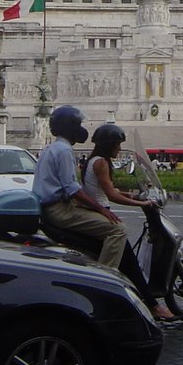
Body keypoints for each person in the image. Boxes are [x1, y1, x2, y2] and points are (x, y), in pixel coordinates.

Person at [83, 123, 175, 320]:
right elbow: (110, 195)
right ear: (109, 145)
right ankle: (150, 303)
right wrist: (138, 203)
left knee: (129, 261)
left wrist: (131, 194)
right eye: (117, 144)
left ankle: (145, 301)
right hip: (102, 213)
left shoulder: (95, 161)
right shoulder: (101, 163)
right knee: (128, 259)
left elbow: (106, 190)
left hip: (99, 210)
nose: (119, 148)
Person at [32, 105, 126, 269]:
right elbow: (72, 189)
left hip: (51, 207)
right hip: (59, 210)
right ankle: (106, 276)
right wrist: (101, 209)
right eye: (77, 125)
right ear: (70, 127)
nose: (81, 129)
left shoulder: (51, 148)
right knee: (117, 230)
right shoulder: (64, 150)